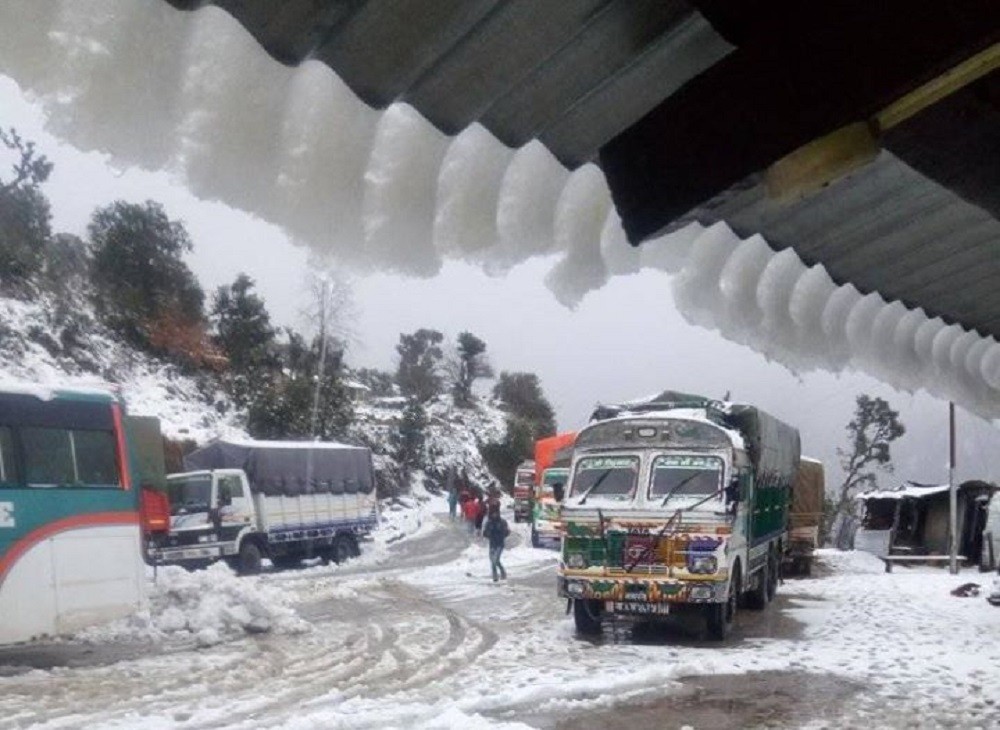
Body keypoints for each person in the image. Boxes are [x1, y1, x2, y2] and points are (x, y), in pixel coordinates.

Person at [482, 505, 510, 582]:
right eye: (493, 514)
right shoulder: (489, 523)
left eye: (496, 513)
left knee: (495, 560)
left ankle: (501, 573)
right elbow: (485, 532)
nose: (494, 515)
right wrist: (487, 534)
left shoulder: (502, 522)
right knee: (492, 560)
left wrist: (503, 534)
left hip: (500, 544)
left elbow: (507, 532)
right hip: (492, 544)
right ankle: (496, 575)